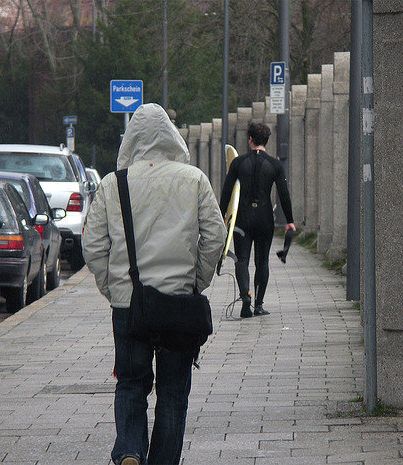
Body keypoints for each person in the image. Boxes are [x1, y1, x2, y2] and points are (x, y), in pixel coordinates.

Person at [82, 103, 226, 465]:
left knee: (131, 383)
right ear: (172, 137)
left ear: (131, 140)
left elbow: (93, 245)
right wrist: (197, 280)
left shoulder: (114, 184)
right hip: (178, 303)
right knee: (174, 394)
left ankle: (130, 450)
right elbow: (215, 236)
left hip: (129, 305)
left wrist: (113, 286)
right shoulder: (193, 179)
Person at [219, 122, 295, 318]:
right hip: (264, 219)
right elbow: (284, 194)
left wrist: (223, 216)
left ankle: (245, 297)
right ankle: (259, 305)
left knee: (242, 259)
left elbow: (227, 192)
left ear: (250, 139)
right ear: (267, 141)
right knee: (262, 262)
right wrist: (290, 220)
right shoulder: (275, 165)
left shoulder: (237, 163)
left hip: (242, 220)